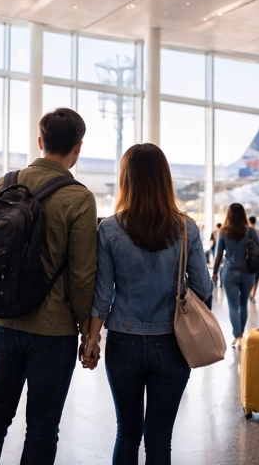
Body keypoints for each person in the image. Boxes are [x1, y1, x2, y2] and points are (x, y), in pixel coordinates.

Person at [0, 108, 97, 465]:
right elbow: (83, 275)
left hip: (3, 324)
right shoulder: (79, 198)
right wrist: (89, 332)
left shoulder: (3, 184)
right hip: (53, 331)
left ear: (40, 142)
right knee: (42, 426)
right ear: (78, 148)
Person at [83, 144, 213, 464]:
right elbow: (204, 287)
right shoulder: (186, 227)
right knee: (159, 439)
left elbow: (102, 294)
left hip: (123, 342)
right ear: (164, 179)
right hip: (172, 344)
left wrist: (91, 339)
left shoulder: (110, 228)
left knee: (127, 432)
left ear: (126, 179)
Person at [213, 204, 259, 348]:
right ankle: (241, 335)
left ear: (229, 215)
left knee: (233, 306)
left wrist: (214, 272)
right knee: (243, 304)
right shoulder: (251, 231)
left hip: (229, 272)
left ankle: (237, 337)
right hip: (248, 273)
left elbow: (219, 255)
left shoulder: (223, 232)